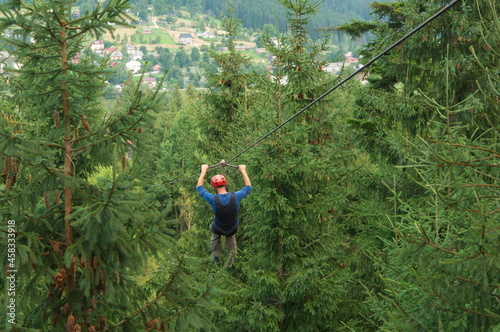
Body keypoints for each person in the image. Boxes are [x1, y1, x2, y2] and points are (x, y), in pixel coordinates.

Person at [197, 164, 252, 266]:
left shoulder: (213, 199)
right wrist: (243, 170)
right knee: (231, 237)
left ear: (214, 187)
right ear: (226, 185)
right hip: (232, 227)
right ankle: (231, 259)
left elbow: (199, 188)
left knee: (214, 233)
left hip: (218, 227)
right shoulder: (236, 196)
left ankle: (216, 255)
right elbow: (248, 187)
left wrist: (204, 170)